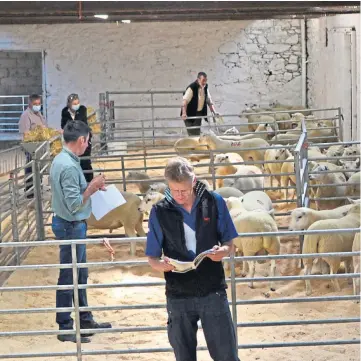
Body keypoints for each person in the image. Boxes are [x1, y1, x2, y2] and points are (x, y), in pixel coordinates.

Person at [146, 157, 240, 361]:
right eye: (174, 190)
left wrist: (221, 251)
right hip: (178, 294)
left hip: (212, 291)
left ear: (194, 181)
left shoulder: (214, 202)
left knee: (227, 356)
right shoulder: (159, 211)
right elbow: (152, 257)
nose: (180, 195)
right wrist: (160, 265)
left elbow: (230, 244)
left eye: (184, 190)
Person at [50, 120, 111, 343]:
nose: (88, 145)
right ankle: (65, 325)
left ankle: (84, 320)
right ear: (82, 140)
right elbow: (74, 203)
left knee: (79, 274)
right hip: (70, 225)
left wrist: (91, 187)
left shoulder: (65, 160)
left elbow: (74, 196)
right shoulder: (67, 166)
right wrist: (92, 188)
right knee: (69, 275)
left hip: (72, 224)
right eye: (88, 141)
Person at [18, 94, 47, 199]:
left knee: (38, 168)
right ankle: (30, 192)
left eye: (39, 104)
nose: (37, 106)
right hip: (31, 146)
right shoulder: (26, 115)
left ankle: (38, 189)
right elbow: (26, 134)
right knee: (31, 167)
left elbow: (43, 128)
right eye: (35, 104)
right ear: (29, 104)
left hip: (39, 145)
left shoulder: (39, 114)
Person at [61, 93, 94, 183]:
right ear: (69, 104)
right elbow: (63, 125)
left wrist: (71, 125)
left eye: (77, 103)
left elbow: (80, 122)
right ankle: (79, 182)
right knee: (74, 162)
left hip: (84, 138)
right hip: (73, 140)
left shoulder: (82, 109)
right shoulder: (65, 111)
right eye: (74, 104)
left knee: (85, 161)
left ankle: (89, 182)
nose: (76, 105)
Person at [181, 72, 218, 136]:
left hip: (198, 113)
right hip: (189, 114)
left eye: (206, 81)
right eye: (203, 80)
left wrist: (214, 111)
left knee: (197, 133)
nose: (204, 83)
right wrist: (184, 113)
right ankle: (193, 144)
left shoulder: (205, 87)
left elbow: (208, 100)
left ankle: (196, 144)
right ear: (198, 80)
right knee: (192, 134)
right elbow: (184, 102)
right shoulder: (192, 88)